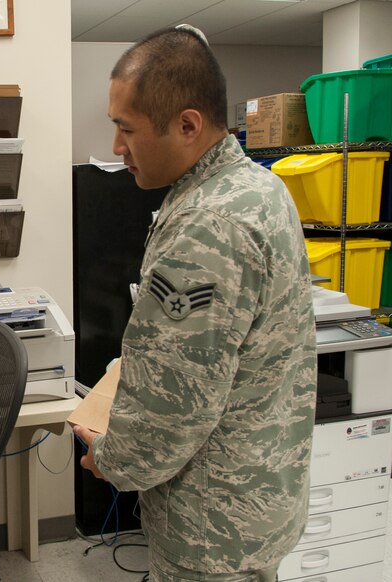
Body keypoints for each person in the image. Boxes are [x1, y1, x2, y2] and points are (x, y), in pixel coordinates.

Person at [72, 26, 317, 581]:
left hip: (213, 525)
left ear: (187, 125)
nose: (117, 149)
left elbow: (172, 406)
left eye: (125, 130)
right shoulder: (256, 186)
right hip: (258, 497)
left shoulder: (208, 224)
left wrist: (110, 458)